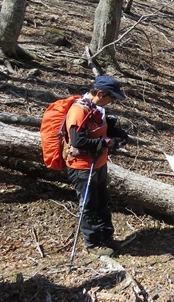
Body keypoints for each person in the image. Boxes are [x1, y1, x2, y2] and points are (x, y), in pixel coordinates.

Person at [65, 75, 128, 256]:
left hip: (99, 164)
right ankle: (93, 244)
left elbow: (102, 128)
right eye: (112, 97)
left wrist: (119, 133)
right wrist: (106, 143)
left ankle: (106, 237)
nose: (112, 101)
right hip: (84, 167)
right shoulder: (78, 111)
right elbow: (78, 141)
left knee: (101, 202)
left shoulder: (96, 107)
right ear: (100, 93)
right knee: (89, 205)